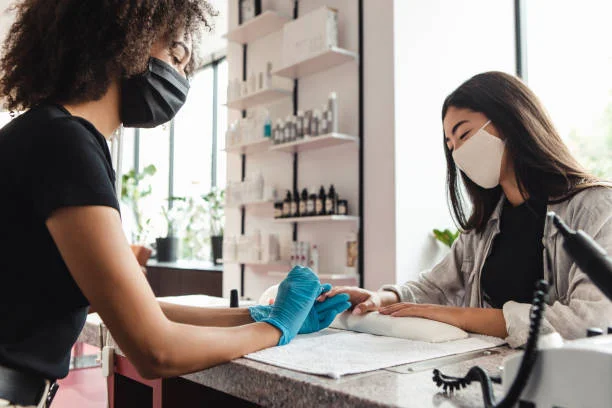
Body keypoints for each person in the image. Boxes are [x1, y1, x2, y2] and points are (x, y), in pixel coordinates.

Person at [0, 2, 350, 407]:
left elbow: (139, 309)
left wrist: (256, 314)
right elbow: (156, 349)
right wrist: (278, 328)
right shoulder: (66, 144)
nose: (181, 75)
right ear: (124, 38)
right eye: (177, 55)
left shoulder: (43, 132)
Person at [322, 71, 612, 348]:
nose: (457, 152)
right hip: (490, 373)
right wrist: (380, 298)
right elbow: (434, 288)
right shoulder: (484, 227)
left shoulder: (595, 207)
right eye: (450, 145)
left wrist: (462, 317)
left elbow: (592, 319)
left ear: (511, 121)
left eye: (464, 135)